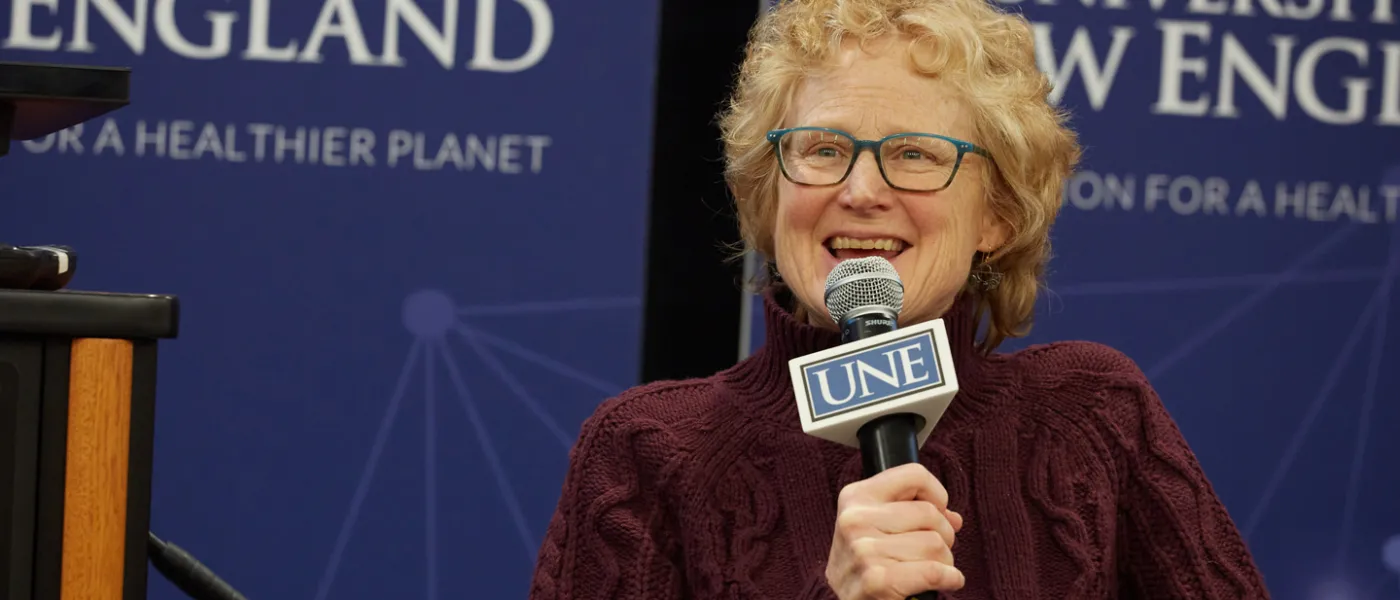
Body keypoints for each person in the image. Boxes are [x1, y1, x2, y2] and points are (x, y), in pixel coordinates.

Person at [529, 0, 1271, 597]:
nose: (859, 191)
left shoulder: (1093, 415)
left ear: (997, 216)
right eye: (822, 149)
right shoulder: (647, 452)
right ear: (767, 193)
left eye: (914, 155)